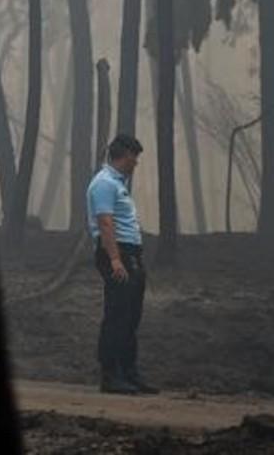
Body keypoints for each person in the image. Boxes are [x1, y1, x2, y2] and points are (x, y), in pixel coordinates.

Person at [87, 133, 158, 395]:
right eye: (133, 157)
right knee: (117, 314)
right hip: (116, 252)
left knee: (131, 315)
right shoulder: (104, 183)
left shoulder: (118, 184)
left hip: (131, 253)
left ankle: (129, 372)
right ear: (122, 155)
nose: (135, 163)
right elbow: (105, 222)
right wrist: (115, 259)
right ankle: (110, 375)